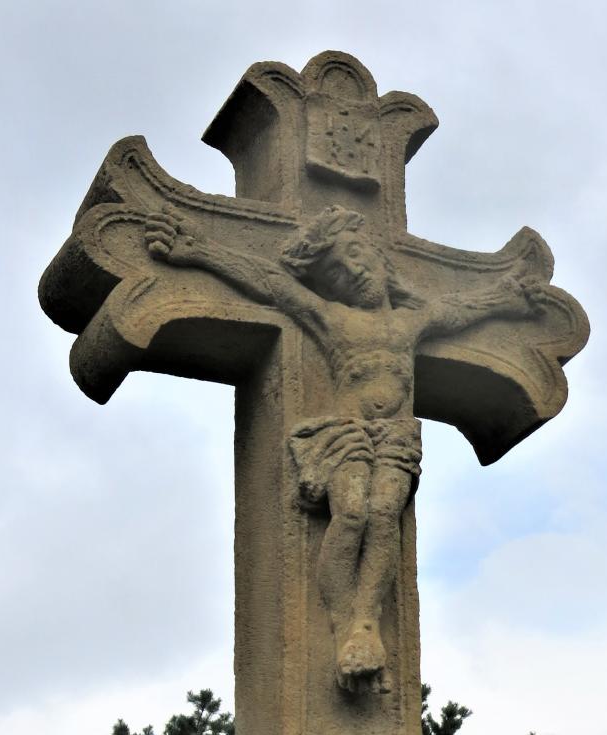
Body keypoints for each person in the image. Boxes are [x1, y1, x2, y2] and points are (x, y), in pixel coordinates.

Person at [145, 205, 547, 694]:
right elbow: (272, 284)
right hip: (345, 434)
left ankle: (365, 621)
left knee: (384, 513)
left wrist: (508, 298)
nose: (352, 271)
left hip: (395, 437)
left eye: (356, 255)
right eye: (335, 271)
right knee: (352, 512)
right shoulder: (333, 318)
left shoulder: (413, 321)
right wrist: (199, 251)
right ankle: (343, 624)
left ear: (378, 257)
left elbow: (463, 310)